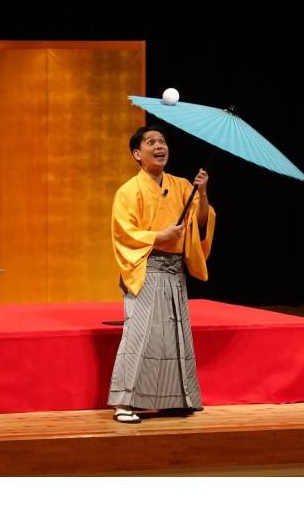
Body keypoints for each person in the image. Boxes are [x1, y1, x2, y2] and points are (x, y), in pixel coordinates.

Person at [108, 125, 216, 423]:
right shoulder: (129, 191)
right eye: (151, 142)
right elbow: (124, 233)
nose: (159, 146)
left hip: (174, 272)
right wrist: (159, 235)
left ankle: (176, 399)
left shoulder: (182, 185)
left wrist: (203, 192)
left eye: (162, 142)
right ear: (137, 154)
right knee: (139, 336)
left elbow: (201, 221)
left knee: (174, 336)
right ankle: (124, 403)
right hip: (147, 268)